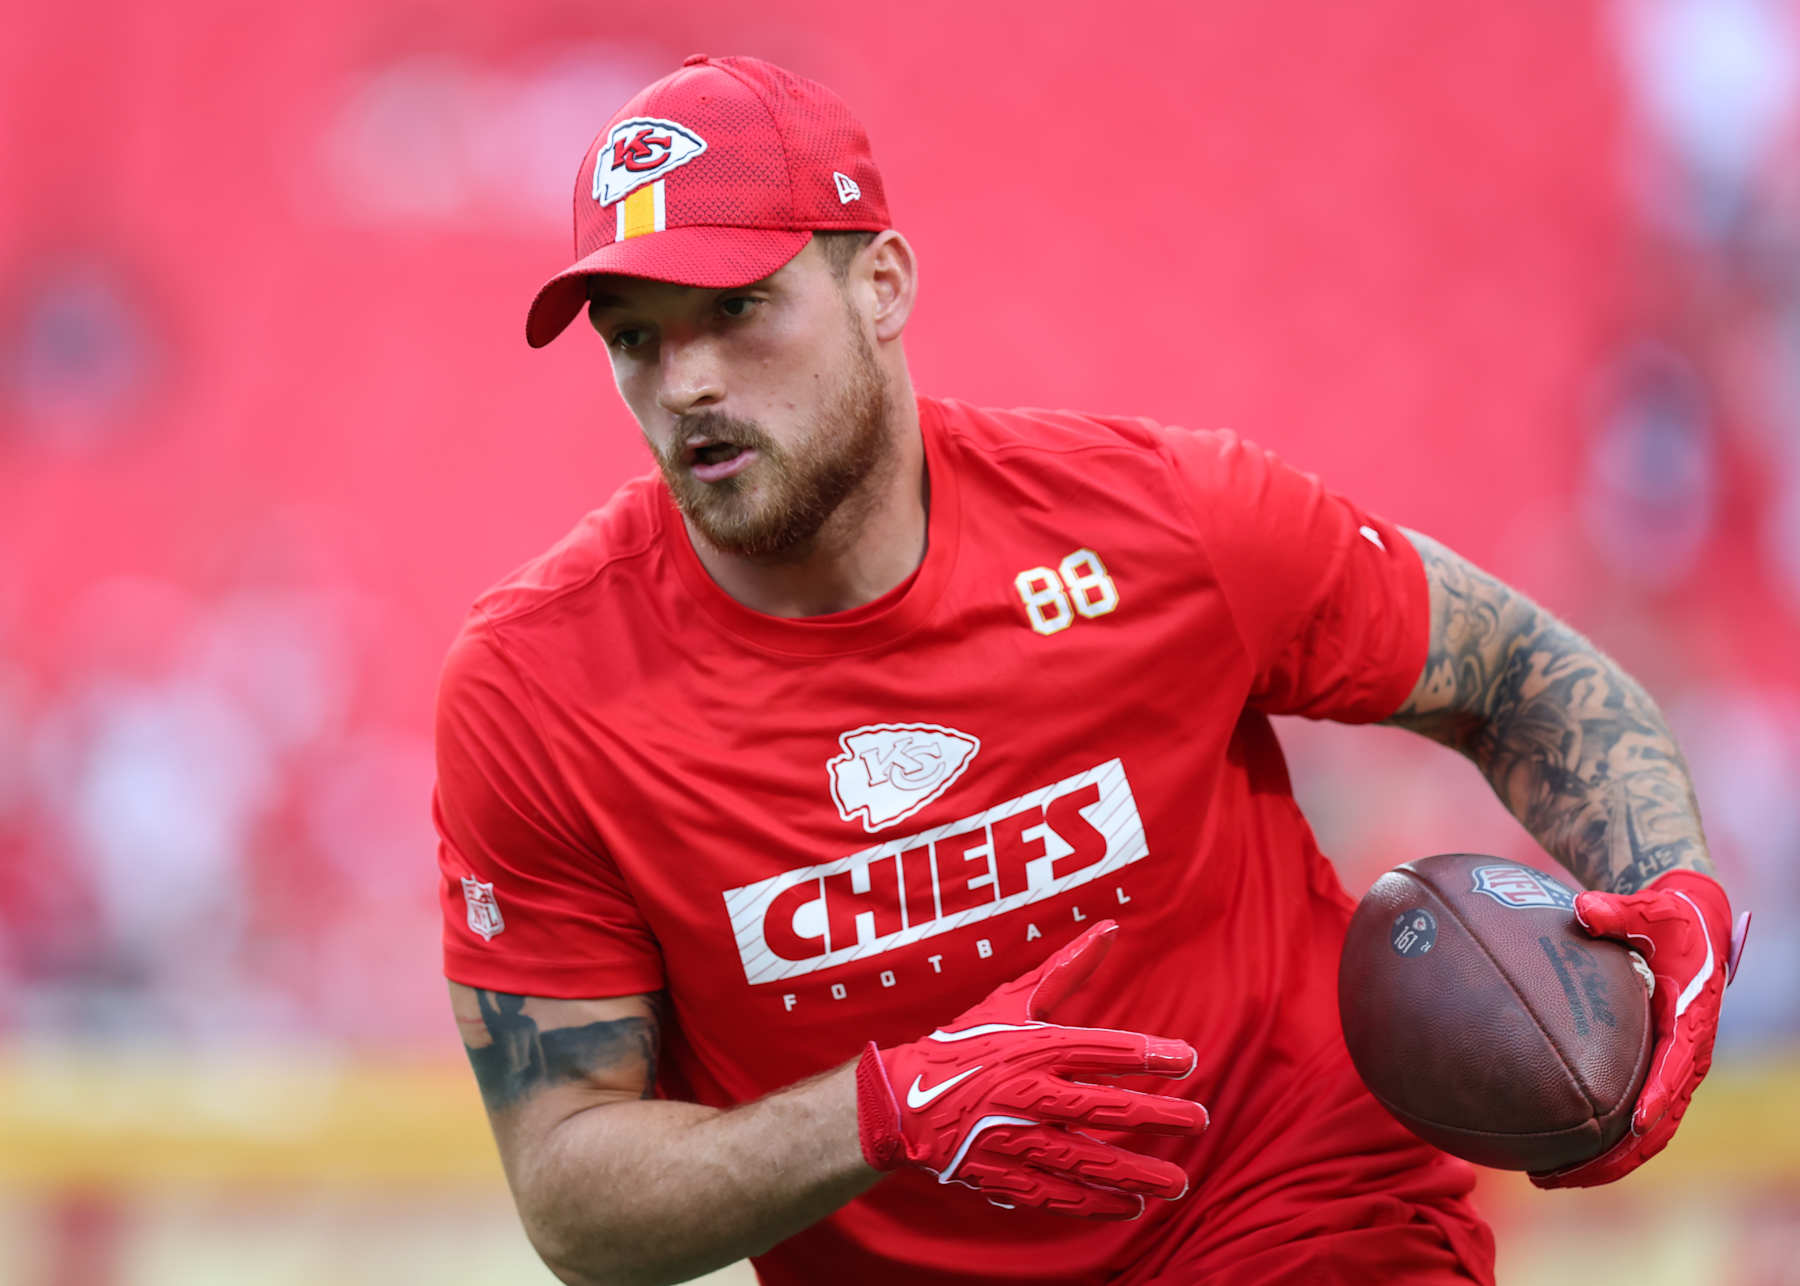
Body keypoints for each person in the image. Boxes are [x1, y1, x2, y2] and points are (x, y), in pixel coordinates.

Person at [432, 55, 1748, 1286]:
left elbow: (1517, 672)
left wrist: (1668, 889)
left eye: (736, 309)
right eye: (636, 338)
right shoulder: (536, 694)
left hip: (1288, 1202)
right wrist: (888, 1107)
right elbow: (571, 1189)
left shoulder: (1168, 518)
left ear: (882, 285)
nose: (690, 381)